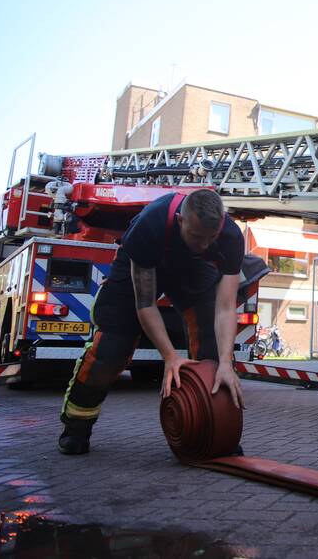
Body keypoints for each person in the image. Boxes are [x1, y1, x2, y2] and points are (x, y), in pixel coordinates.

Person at [57, 189, 246, 455]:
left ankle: (216, 429)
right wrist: (170, 356)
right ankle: (76, 426)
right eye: (196, 236)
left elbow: (225, 308)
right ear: (181, 220)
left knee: (213, 349)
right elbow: (145, 304)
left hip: (191, 268)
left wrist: (226, 363)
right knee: (112, 349)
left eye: (210, 237)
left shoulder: (230, 237)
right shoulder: (150, 224)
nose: (204, 244)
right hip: (143, 265)